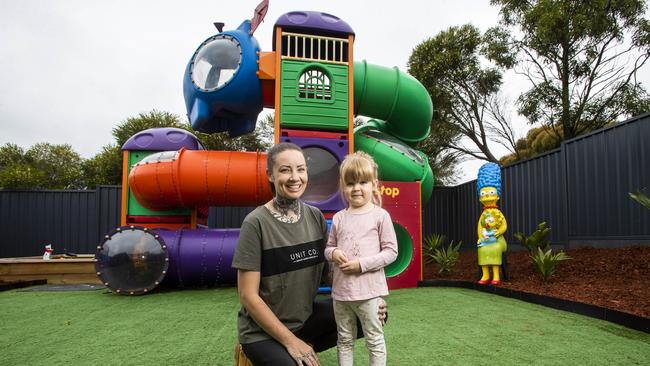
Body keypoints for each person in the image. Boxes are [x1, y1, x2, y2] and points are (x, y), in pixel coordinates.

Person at [232, 143, 385, 366]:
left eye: (301, 169)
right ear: (271, 175)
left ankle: (298, 346)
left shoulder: (315, 217)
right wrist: (291, 342)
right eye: (285, 170)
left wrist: (370, 297)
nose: (295, 177)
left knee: (372, 317)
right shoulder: (255, 223)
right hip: (260, 332)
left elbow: (331, 275)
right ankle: (270, 352)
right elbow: (248, 296)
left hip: (305, 321)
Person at [324, 152, 398, 366]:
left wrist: (361, 265)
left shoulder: (380, 216)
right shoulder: (339, 218)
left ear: (374, 184)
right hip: (341, 294)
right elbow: (328, 249)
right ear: (343, 186)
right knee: (344, 340)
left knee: (374, 340)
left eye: (363, 182)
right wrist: (334, 253)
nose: (356, 188)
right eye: (350, 183)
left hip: (369, 293)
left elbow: (391, 252)